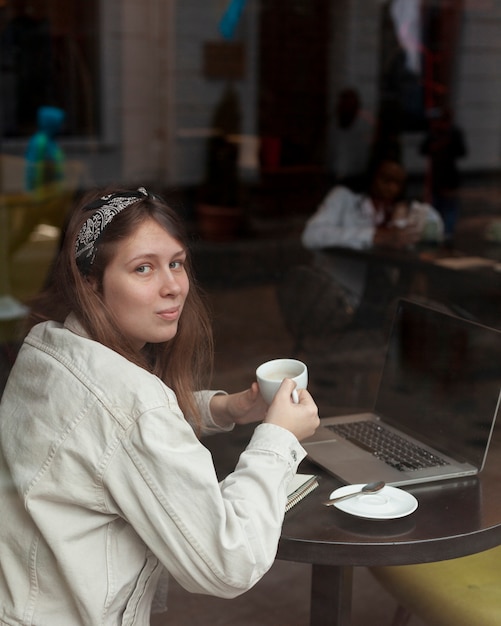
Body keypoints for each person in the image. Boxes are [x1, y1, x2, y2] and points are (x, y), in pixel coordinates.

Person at [0, 187, 319, 625]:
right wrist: (278, 439)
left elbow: (109, 438)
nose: (172, 287)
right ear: (90, 282)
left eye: (176, 263)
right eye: (143, 268)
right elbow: (228, 564)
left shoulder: (49, 346)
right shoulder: (133, 404)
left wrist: (226, 409)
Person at [301, 158, 444, 326]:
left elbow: (436, 230)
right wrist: (373, 235)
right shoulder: (344, 198)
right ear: (372, 176)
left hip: (383, 295)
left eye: (398, 183)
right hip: (343, 296)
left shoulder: (396, 209)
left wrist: (408, 211)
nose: (391, 187)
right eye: (386, 180)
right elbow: (311, 236)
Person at [420, 106, 468, 239]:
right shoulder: (434, 133)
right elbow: (424, 149)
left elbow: (462, 152)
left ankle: (447, 233)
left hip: (449, 177)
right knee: (436, 207)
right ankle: (436, 231)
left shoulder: (454, 133)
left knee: (450, 207)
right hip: (436, 177)